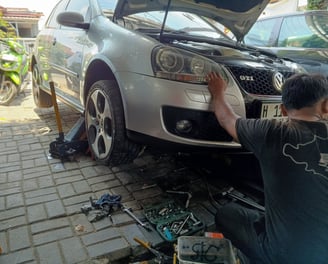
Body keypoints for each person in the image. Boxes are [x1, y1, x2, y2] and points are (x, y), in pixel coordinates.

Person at [206, 72, 328, 264]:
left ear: (282, 110)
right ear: (326, 105)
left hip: (284, 255)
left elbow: (227, 120)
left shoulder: (271, 133)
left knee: (227, 214)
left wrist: (218, 92)